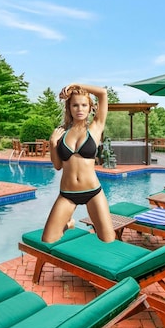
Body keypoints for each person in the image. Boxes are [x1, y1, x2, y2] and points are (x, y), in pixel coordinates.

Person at [41, 83, 116, 243]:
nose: (80, 109)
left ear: (90, 108)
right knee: (48, 239)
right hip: (67, 194)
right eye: (75, 105)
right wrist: (53, 143)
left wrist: (75, 85)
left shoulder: (96, 128)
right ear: (69, 108)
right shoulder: (62, 132)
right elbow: (58, 165)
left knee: (108, 238)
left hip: (93, 192)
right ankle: (69, 223)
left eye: (84, 105)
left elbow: (102, 93)